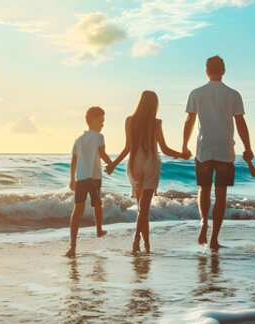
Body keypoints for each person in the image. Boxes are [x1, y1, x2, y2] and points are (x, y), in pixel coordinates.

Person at [181, 55, 253, 250]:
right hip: (225, 150)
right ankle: (214, 238)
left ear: (206, 71)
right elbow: (240, 123)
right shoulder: (233, 94)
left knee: (204, 190)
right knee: (221, 195)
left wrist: (184, 145)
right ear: (223, 71)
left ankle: (203, 222)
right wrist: (247, 147)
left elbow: (189, 121)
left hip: (203, 149)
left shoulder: (197, 93)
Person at [107, 91, 187, 254]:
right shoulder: (156, 123)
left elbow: (127, 147)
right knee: (144, 207)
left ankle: (147, 245)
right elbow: (164, 149)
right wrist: (181, 154)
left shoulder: (130, 120)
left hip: (135, 161)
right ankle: (137, 238)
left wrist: (114, 164)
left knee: (140, 208)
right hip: (151, 161)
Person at [67, 106, 114, 257]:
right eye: (101, 120)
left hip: (81, 177)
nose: (103, 124)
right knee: (97, 203)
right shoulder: (99, 137)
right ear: (93, 121)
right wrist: (111, 164)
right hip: (94, 176)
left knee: (77, 210)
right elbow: (102, 153)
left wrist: (72, 179)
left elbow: (73, 161)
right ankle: (99, 229)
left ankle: (72, 246)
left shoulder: (78, 140)